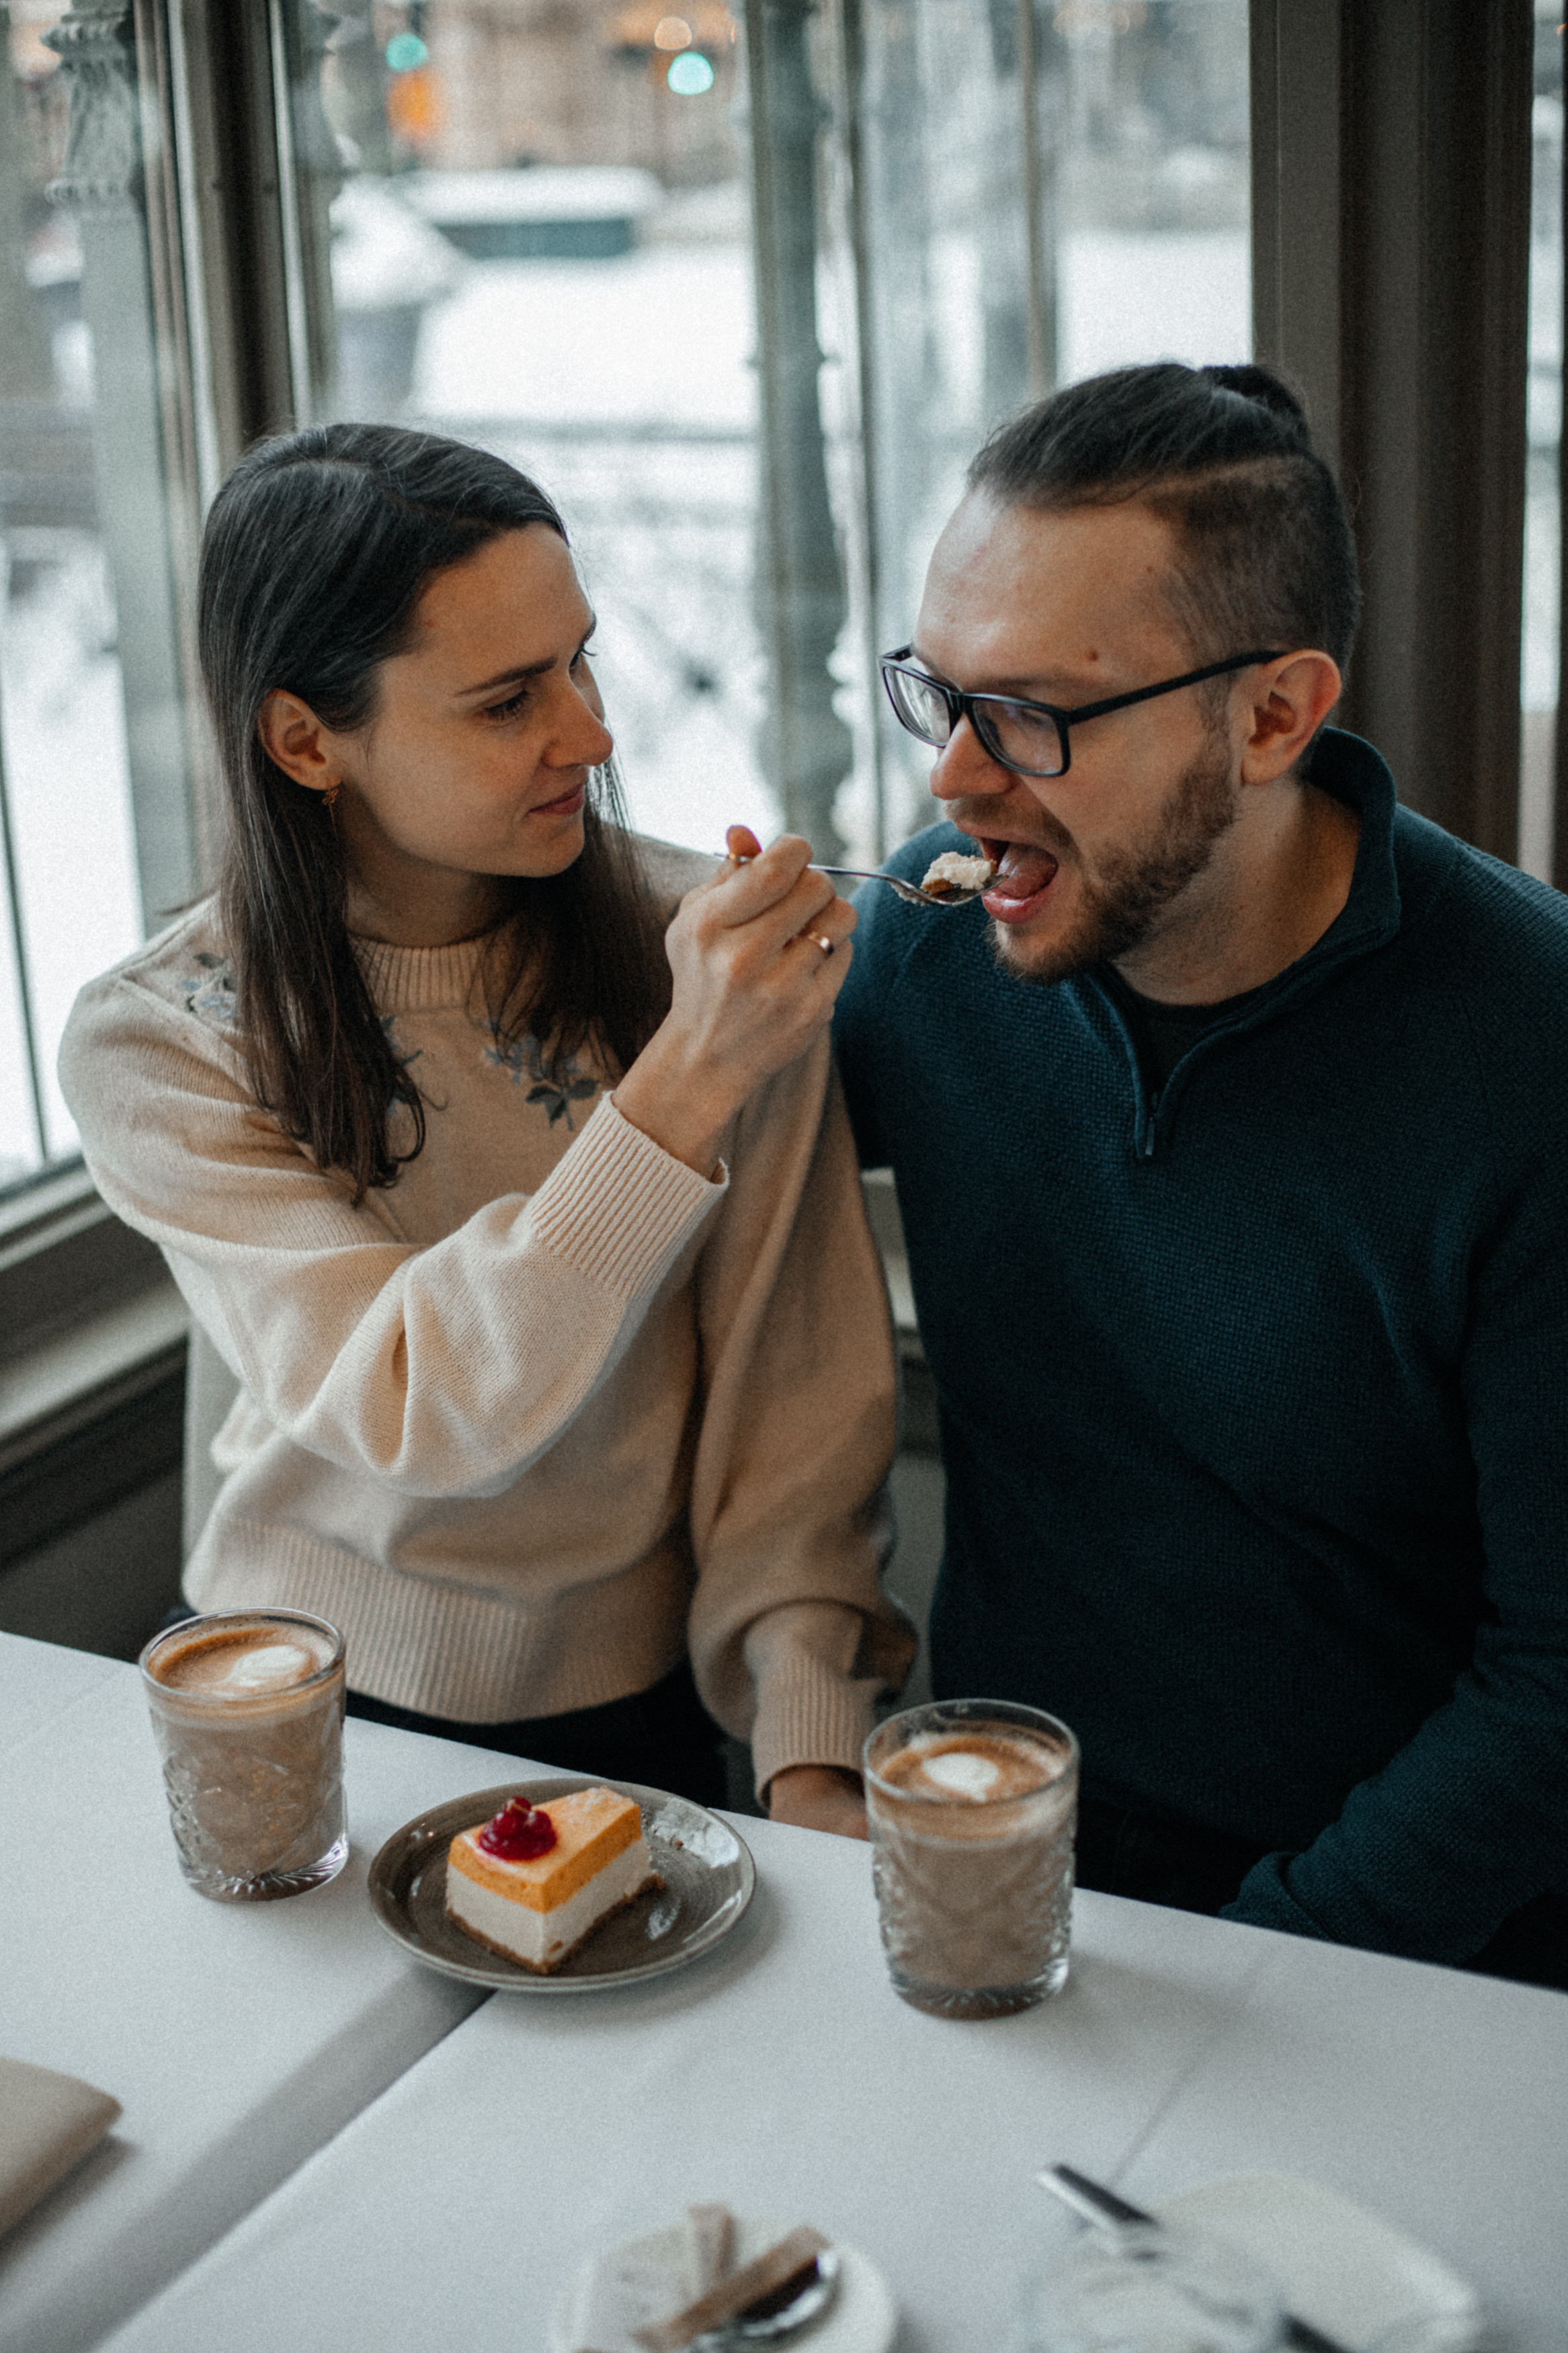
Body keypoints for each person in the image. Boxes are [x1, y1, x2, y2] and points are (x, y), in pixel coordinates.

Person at [833, 361, 1568, 1987]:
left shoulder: (1536, 1046)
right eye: (938, 695)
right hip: (1005, 1870)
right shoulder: (937, 933)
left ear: (1274, 717)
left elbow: (1555, 1690)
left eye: (1032, 716)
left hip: (1409, 1962)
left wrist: (1260, 1975)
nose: (954, 778)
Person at [60, 423, 909, 1828]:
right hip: (278, 1691)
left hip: (625, 1717)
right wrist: (683, 1080)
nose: (593, 734)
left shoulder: (704, 960)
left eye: (581, 661)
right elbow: (417, 1405)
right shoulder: (156, 1041)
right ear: (305, 741)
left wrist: (810, 1751)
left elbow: (798, 1421)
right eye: (510, 700)